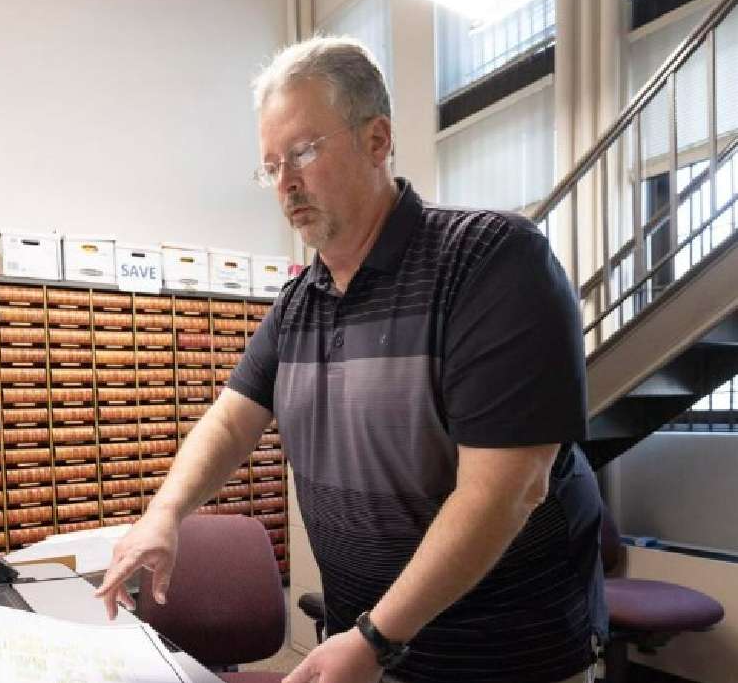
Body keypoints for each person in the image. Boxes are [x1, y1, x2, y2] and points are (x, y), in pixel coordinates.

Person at [94, 36, 606, 683]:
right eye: (271, 165)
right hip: (367, 656)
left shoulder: (491, 260)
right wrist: (163, 515)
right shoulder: (297, 306)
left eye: (303, 151)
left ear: (376, 139)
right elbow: (229, 423)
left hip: (505, 661)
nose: (286, 182)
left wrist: (374, 637)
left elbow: (507, 488)